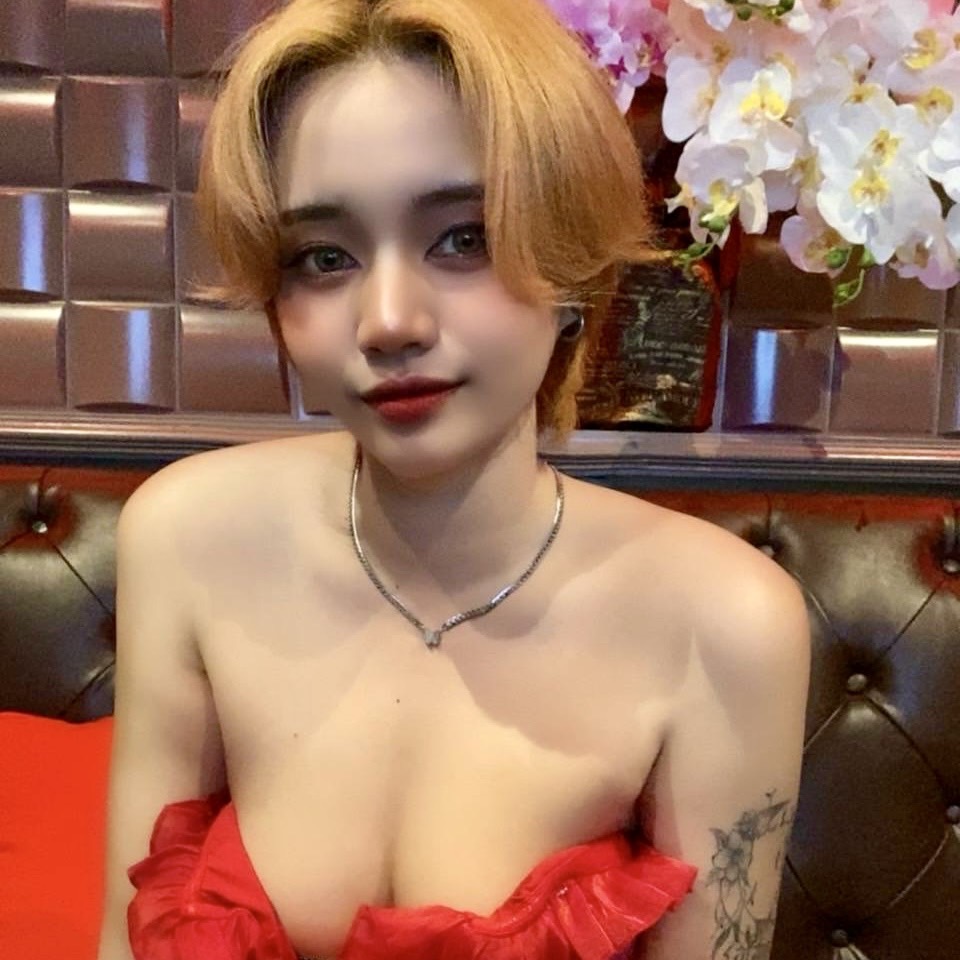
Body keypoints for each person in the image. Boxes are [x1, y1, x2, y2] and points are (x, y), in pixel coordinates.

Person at [96, 1, 810, 958]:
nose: (389, 320)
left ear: (571, 270)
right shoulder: (188, 538)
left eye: (464, 237)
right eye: (324, 258)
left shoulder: (723, 622)